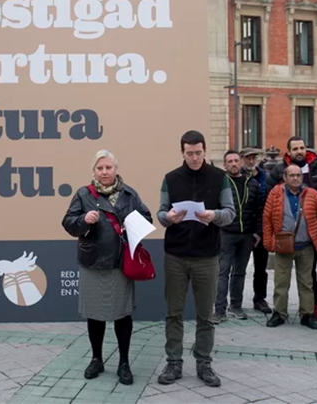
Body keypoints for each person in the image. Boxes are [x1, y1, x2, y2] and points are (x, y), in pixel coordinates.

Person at [62, 150, 153, 385]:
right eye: (100, 168)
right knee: (95, 315)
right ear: (94, 171)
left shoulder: (129, 194)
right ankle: (97, 359)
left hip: (119, 264)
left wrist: (131, 225)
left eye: (108, 167)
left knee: (122, 315)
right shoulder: (83, 195)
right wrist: (83, 220)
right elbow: (68, 223)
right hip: (93, 263)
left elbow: (147, 218)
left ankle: (124, 362)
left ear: (115, 170)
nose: (104, 172)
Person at [156, 131, 235, 388]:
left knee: (205, 315)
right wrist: (168, 218)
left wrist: (214, 215)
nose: (194, 158)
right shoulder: (170, 178)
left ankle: (204, 363)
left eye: (198, 153)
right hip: (176, 255)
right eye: (189, 153)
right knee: (174, 313)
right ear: (182, 152)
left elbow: (230, 213)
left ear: (204, 150)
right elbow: (160, 212)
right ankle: (174, 362)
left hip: (207, 256)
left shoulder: (219, 177)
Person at [266, 136, 317, 323]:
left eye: (302, 148)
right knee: (281, 281)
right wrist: (270, 239)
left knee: (308, 280)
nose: (299, 151)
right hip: (284, 240)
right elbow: (267, 210)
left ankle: (310, 311)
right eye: (295, 148)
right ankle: (279, 313)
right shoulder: (278, 171)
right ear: (288, 152)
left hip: (307, 240)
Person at [213, 150, 262, 322]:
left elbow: (258, 210)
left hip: (247, 234)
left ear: (240, 162)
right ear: (225, 165)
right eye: (229, 161)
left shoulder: (253, 184)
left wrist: (257, 232)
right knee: (222, 272)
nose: (233, 164)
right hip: (226, 234)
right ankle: (219, 310)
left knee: (240, 272)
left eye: (236, 160)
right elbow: (214, 209)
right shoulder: (220, 184)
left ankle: (236, 306)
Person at [240, 148, 271, 314]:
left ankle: (260, 298)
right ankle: (235, 301)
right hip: (242, 229)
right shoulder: (236, 177)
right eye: (247, 159)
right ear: (241, 159)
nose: (251, 162)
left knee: (261, 268)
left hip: (261, 228)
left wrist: (260, 231)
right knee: (239, 267)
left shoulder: (265, 176)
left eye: (253, 158)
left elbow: (267, 204)